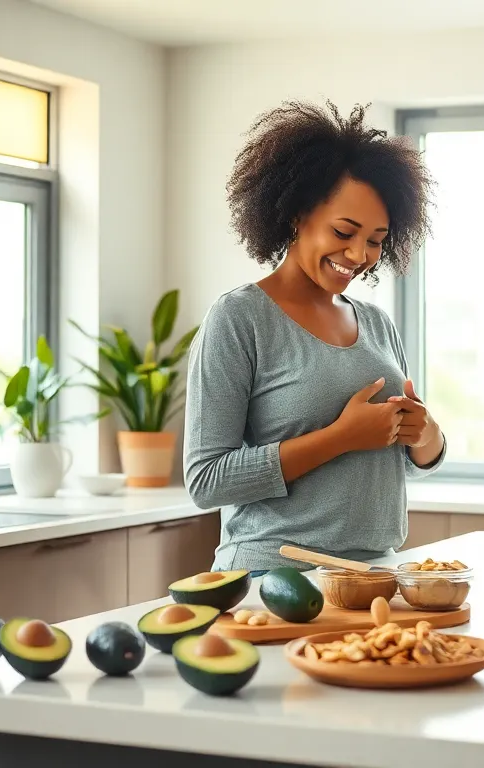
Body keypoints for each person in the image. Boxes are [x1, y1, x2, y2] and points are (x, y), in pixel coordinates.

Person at [184, 101, 446, 575]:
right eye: (344, 231)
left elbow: (395, 466)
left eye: (375, 239)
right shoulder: (239, 318)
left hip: (377, 575)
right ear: (295, 214)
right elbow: (206, 480)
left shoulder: (377, 323)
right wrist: (339, 438)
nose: (359, 254)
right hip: (275, 578)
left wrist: (425, 434)